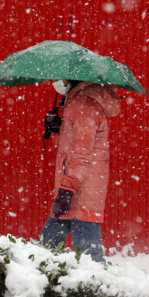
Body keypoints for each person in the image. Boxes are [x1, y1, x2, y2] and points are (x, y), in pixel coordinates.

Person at [39, 79, 121, 262]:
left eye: (60, 77)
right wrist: (59, 126)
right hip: (74, 189)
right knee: (43, 250)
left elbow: (82, 153)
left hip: (81, 192)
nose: (56, 82)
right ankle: (37, 283)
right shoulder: (78, 102)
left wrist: (66, 191)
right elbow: (77, 139)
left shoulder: (85, 106)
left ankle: (99, 288)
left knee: (89, 260)